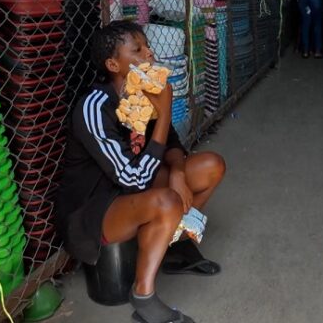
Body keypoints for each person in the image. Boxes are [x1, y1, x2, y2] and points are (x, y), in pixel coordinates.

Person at [56, 21, 226, 323]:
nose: (149, 53)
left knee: (211, 166)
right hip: (93, 210)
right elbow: (132, 180)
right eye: (137, 49)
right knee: (168, 201)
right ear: (113, 65)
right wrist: (165, 110)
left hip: (131, 189)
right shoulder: (94, 108)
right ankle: (143, 295)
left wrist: (177, 172)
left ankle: (174, 246)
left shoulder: (143, 93)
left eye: (147, 46)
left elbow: (172, 145)